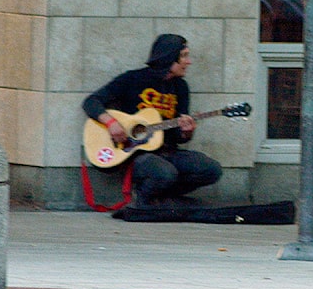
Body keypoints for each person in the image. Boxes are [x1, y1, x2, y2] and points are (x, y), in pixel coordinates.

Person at [82, 34, 222, 206]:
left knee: (211, 170)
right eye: (184, 56)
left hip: (168, 151)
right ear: (169, 57)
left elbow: (178, 135)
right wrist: (111, 124)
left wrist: (187, 132)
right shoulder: (132, 79)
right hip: (135, 154)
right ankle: (143, 199)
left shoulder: (180, 87)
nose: (189, 62)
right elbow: (91, 102)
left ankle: (164, 199)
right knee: (164, 172)